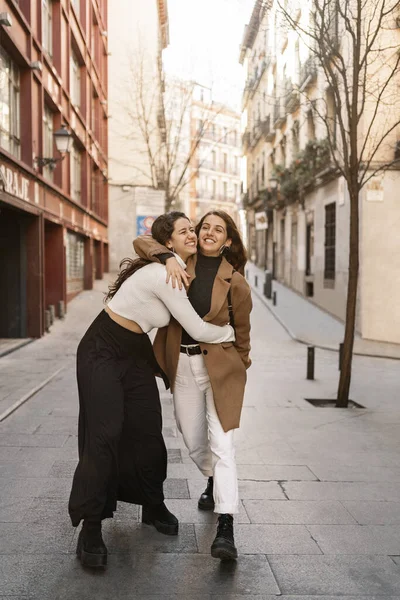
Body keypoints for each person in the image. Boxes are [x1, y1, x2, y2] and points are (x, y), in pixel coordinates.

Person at [68, 211, 236, 569]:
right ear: (169, 242)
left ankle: (152, 504)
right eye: (185, 231)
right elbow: (198, 328)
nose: (193, 234)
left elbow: (149, 245)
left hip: (134, 351)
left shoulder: (177, 266)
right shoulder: (165, 273)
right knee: (104, 433)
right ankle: (92, 526)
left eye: (194, 228)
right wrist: (231, 336)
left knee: (147, 430)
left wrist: (170, 254)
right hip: (103, 348)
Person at [133, 210, 252, 561]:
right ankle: (213, 479)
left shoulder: (237, 283)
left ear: (228, 239)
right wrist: (168, 255)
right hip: (182, 364)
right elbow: (142, 242)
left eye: (219, 229)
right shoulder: (181, 262)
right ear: (197, 234)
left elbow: (243, 336)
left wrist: (237, 369)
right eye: (205, 228)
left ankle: (226, 524)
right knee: (192, 437)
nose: (210, 233)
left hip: (221, 369)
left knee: (223, 444)